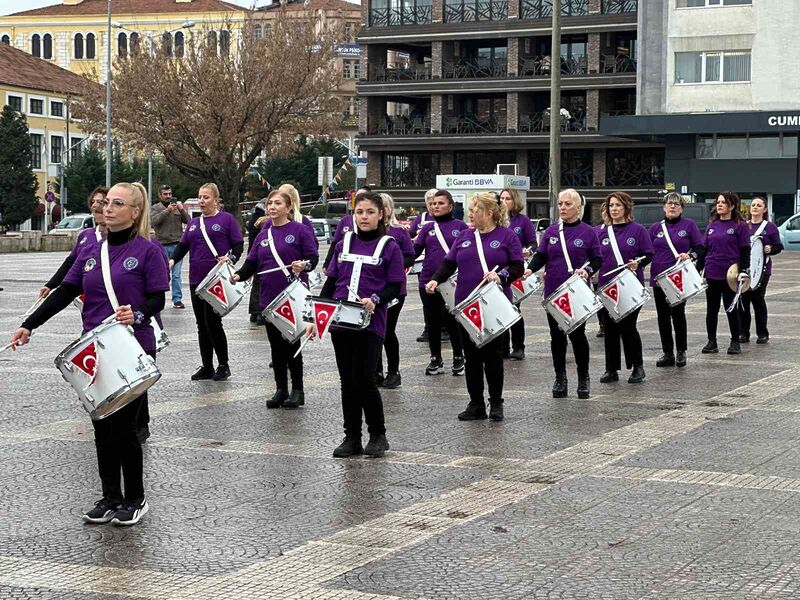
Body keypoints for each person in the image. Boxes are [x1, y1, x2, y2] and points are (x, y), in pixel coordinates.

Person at [10, 182, 169, 526]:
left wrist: (138, 313)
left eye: (117, 203)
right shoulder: (90, 251)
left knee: (126, 427)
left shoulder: (148, 250)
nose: (108, 208)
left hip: (132, 345)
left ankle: (135, 498)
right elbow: (66, 291)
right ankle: (110, 496)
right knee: (101, 426)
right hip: (94, 348)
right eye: (106, 203)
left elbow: (158, 298)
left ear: (135, 211)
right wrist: (29, 324)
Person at [312, 191, 405, 458]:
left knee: (365, 379)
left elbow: (395, 287)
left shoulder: (390, 246)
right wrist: (317, 315)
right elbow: (331, 282)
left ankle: (378, 434)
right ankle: (351, 436)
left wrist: (376, 299)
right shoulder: (343, 243)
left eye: (370, 212)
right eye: (359, 212)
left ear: (381, 215)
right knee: (347, 381)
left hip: (371, 323)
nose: (364, 217)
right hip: (341, 322)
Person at [426, 193, 524, 421]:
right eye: (470, 209)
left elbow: (518, 265)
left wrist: (502, 276)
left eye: (475, 209)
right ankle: (476, 403)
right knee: (471, 356)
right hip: (466, 304)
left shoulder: (506, 236)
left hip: (492, 302)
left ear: (489, 212)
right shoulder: (464, 236)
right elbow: (449, 262)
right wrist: (435, 279)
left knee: (493, 356)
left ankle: (496, 403)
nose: (470, 213)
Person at [233, 189, 318, 408]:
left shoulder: (299, 230)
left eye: (278, 203)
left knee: (291, 342)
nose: (272, 207)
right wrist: (239, 275)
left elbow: (313, 257)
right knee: (275, 347)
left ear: (289, 207)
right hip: (269, 297)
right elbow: (252, 262)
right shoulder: (263, 234)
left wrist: (304, 265)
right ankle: (281, 389)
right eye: (270, 203)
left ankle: (297, 390)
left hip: (292, 296)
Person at [529, 189, 601, 399]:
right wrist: (529, 269)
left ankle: (583, 378)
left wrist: (587, 270)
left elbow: (597, 259)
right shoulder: (551, 231)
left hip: (576, 291)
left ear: (578, 207)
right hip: (553, 291)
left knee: (578, 336)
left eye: (568, 204)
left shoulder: (589, 232)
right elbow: (541, 255)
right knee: (556, 337)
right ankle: (560, 378)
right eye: (560, 204)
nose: (563, 208)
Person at [170, 183, 243, 380]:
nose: (202, 201)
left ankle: (223, 364)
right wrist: (171, 260)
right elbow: (183, 246)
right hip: (196, 279)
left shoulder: (226, 219)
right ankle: (207, 366)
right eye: (200, 197)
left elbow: (238, 245)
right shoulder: (194, 223)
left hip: (216, 281)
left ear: (216, 200)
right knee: (201, 324)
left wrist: (231, 259)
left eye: (206, 197)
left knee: (213, 322)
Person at [596, 192, 653, 384]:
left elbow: (648, 254)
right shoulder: (601, 232)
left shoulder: (637, 230)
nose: (614, 209)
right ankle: (611, 369)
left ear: (626, 208)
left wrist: (638, 263)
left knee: (628, 327)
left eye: (618, 205)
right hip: (607, 287)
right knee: (610, 328)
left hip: (629, 285)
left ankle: (637, 366)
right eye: (611, 205)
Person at [414, 189, 468, 376]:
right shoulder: (427, 228)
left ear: (451, 206)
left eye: (440, 203)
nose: (436, 206)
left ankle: (458, 357)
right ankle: (435, 358)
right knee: (432, 322)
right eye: (433, 203)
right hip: (427, 281)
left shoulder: (461, 227)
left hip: (451, 282)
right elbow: (414, 251)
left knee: (453, 320)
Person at [648, 192, 704, 368]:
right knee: (662, 317)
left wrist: (690, 255)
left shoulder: (689, 226)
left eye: (676, 204)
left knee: (678, 315)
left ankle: (681, 351)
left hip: (678, 278)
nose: (672, 207)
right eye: (669, 204)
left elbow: (700, 247)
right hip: (659, 278)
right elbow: (647, 252)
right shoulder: (656, 228)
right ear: (664, 207)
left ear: (681, 208)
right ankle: (667, 353)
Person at [700, 191, 750, 355]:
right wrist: (697, 268)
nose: (719, 205)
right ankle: (711, 341)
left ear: (732, 206)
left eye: (723, 202)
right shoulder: (712, 225)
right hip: (712, 272)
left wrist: (744, 271)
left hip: (730, 275)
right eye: (718, 202)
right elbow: (704, 249)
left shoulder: (740, 225)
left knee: (731, 308)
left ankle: (735, 341)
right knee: (711, 309)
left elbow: (745, 250)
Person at [375, 193, 415, 389]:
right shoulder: (366, 232)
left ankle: (393, 371)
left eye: (384, 207)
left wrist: (392, 264)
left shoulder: (399, 232)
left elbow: (410, 257)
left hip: (394, 289)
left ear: (389, 209)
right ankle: (376, 370)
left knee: (387, 330)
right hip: (370, 289)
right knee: (373, 330)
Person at [39, 186, 108, 299]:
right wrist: (50, 285)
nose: (95, 206)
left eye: (100, 202)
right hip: (88, 300)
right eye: (93, 202)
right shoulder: (85, 235)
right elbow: (70, 263)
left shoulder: (121, 238)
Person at [739, 195, 783, 344]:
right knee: (743, 300)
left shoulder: (769, 227)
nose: (755, 207)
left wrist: (770, 249)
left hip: (762, 270)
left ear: (764, 209)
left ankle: (762, 333)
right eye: (753, 205)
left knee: (757, 300)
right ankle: (743, 333)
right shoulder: (744, 226)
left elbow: (778, 247)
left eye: (758, 205)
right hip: (745, 269)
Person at [500, 188, 536, 360]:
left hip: (514, 269)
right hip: (498, 270)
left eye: (508, 198)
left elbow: (533, 243)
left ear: (515, 201)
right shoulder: (496, 220)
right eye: (502, 198)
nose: (504, 201)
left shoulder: (522, 221)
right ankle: (503, 346)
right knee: (500, 309)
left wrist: (527, 251)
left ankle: (518, 346)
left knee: (514, 308)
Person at [150, 184, 189, 309]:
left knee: (176, 275)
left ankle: (177, 299)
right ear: (160, 195)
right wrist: (167, 211)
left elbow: (188, 221)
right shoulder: (155, 208)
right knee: (163, 274)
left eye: (170, 194)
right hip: (162, 245)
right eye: (165, 194)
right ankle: (158, 298)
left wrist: (182, 209)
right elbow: (153, 222)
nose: (168, 196)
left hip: (178, 245)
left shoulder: (177, 207)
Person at [412, 189, 441, 343]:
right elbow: (410, 236)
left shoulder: (451, 222)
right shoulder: (421, 219)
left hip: (443, 267)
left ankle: (446, 329)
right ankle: (428, 328)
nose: (432, 206)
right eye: (430, 203)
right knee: (427, 300)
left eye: (436, 203)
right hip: (422, 265)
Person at [322, 185, 372, 270]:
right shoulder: (345, 220)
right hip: (345, 263)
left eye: (362, 196)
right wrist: (327, 264)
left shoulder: (372, 221)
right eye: (357, 197)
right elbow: (335, 243)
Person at [246, 197, 268, 326]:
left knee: (256, 282)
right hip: (262, 253)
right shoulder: (263, 221)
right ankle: (260, 312)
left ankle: (254, 312)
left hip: (253, 252)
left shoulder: (254, 218)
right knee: (262, 283)